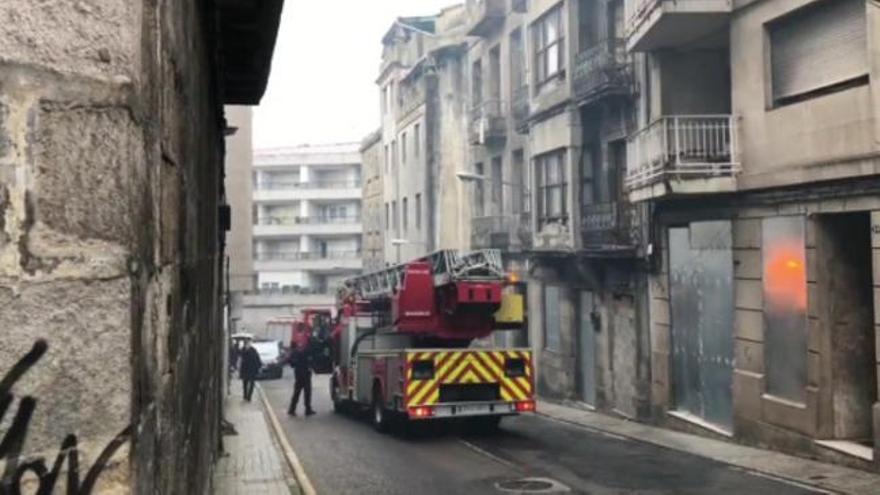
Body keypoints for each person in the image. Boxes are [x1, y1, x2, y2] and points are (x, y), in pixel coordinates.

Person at [287, 340, 315, 416]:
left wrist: (295, 364)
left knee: (297, 392)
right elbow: (312, 361)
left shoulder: (295, 351)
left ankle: (292, 409)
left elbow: (290, 361)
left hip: (298, 373)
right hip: (305, 373)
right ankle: (307, 409)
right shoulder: (308, 350)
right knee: (307, 392)